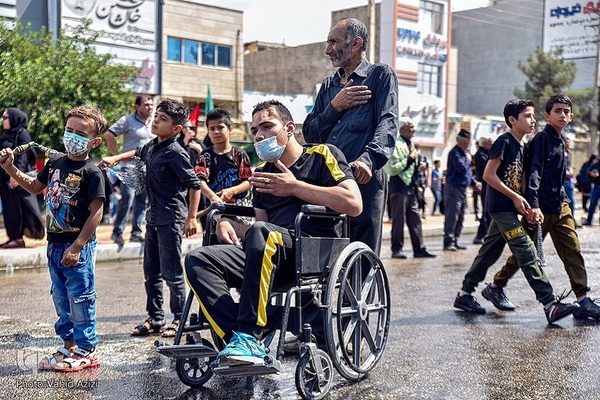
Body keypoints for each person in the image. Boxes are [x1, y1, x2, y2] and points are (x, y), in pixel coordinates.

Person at [185, 100, 362, 366]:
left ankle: (248, 334)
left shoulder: (323, 154)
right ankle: (238, 337)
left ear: (289, 128)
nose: (259, 135)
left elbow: (353, 203)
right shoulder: (262, 176)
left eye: (267, 126)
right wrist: (229, 224)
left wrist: (295, 187)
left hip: (313, 250)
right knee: (198, 259)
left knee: (262, 233)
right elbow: (260, 223)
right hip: (268, 251)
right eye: (255, 130)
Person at [0, 104, 107, 371]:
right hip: (55, 245)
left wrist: (79, 245)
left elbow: (97, 212)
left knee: (80, 296)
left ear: (93, 142)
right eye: (69, 130)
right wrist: (11, 169)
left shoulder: (92, 172)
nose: (72, 136)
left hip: (76, 247)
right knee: (60, 297)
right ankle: (69, 344)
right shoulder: (55, 164)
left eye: (80, 134)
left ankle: (87, 348)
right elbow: (35, 187)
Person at [453, 99, 577, 324]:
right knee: (526, 250)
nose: (533, 121)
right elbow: (489, 176)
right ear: (512, 120)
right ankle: (550, 304)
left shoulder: (521, 146)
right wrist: (515, 197)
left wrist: (527, 205)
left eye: (533, 116)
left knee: (488, 253)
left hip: (509, 208)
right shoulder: (504, 141)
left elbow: (517, 181)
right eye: (527, 116)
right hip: (500, 208)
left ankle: (464, 294)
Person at [491, 94, 600, 320]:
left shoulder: (561, 141)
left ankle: (582, 299)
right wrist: (534, 205)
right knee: (525, 254)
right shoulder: (542, 139)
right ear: (547, 115)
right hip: (540, 209)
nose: (562, 114)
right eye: (557, 111)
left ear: (571, 116)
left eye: (565, 111)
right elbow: (534, 173)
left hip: (560, 207)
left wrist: (566, 203)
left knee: (573, 250)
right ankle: (496, 285)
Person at [102, 99, 202, 338]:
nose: (156, 120)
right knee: (151, 272)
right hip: (153, 217)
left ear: (177, 129)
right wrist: (115, 159)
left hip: (171, 219)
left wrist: (191, 218)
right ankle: (155, 319)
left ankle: (179, 318)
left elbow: (194, 185)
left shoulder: (176, 153)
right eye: (156, 116)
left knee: (172, 272)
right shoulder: (153, 146)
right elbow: (137, 152)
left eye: (163, 119)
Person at [303, 17, 398, 256]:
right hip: (330, 182)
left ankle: (358, 294)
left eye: (333, 42)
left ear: (355, 43)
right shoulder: (328, 86)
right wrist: (334, 107)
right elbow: (310, 133)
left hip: (363, 178)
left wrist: (369, 160)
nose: (327, 50)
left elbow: (388, 122)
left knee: (361, 256)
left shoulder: (380, 76)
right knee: (320, 255)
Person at [104, 95, 154, 245]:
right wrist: (116, 156)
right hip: (130, 168)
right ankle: (117, 232)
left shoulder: (154, 122)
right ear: (137, 107)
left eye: (151, 105)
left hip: (147, 168)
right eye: (146, 105)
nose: (150, 107)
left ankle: (136, 233)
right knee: (127, 199)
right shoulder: (127, 120)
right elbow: (109, 134)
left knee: (142, 202)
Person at [385, 119, 436, 259]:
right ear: (401, 129)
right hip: (399, 186)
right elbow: (392, 168)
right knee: (398, 220)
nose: (413, 130)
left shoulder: (411, 144)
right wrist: (410, 158)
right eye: (410, 127)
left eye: (414, 127)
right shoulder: (396, 144)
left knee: (415, 219)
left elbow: (412, 164)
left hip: (411, 188)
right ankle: (397, 249)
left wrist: (419, 165)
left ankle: (419, 249)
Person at [0, 108, 44, 248]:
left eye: (5, 116)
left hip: (15, 180)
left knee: (16, 210)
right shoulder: (7, 135)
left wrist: (15, 176)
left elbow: (23, 157)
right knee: (9, 210)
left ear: (14, 118)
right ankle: (13, 237)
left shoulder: (22, 134)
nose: (3, 119)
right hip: (5, 181)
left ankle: (18, 238)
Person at [194, 108, 252, 209]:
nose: (216, 132)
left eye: (220, 127)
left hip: (240, 208)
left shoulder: (239, 154)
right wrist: (212, 197)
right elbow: (200, 180)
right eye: (212, 129)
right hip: (215, 208)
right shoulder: (205, 155)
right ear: (208, 132)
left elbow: (248, 181)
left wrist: (232, 191)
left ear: (230, 130)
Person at [443, 129, 481, 251]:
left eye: (469, 142)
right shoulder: (455, 153)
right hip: (453, 188)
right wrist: (469, 160)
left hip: (463, 189)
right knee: (452, 216)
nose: (468, 144)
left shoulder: (464, 154)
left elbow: (468, 174)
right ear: (459, 141)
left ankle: (455, 240)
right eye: (466, 142)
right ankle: (448, 242)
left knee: (461, 216)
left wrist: (475, 183)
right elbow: (461, 169)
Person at [473, 136, 493, 244]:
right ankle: (482, 235)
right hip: (484, 186)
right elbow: (490, 164)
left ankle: (483, 235)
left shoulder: (485, 152)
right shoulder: (480, 154)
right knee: (487, 212)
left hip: (487, 186)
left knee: (488, 212)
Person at [414, 144, 429, 219]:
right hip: (416, 181)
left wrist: (427, 181)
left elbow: (426, 170)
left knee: (421, 198)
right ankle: (419, 212)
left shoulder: (422, 158)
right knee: (418, 198)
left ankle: (422, 212)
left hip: (422, 181)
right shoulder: (414, 157)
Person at [584, 159, 600, 225]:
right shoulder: (595, 165)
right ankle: (589, 220)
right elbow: (587, 173)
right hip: (596, 186)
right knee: (592, 204)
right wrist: (592, 174)